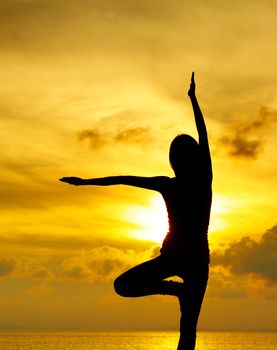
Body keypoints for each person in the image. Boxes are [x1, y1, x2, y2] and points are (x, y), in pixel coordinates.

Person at [60, 72, 212, 350]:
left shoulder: (202, 181)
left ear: (179, 161)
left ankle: (179, 292)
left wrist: (193, 99)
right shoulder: (178, 184)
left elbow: (203, 136)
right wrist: (86, 182)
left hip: (195, 263)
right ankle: (177, 290)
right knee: (126, 287)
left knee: (188, 329)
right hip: (176, 259)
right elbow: (125, 178)